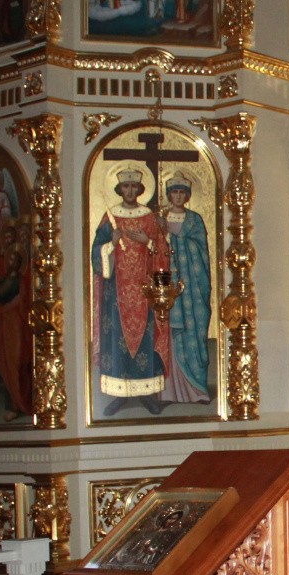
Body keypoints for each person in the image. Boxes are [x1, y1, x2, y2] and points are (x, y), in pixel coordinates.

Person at [90, 168, 171, 417]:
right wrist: (111, 243)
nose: (129, 190)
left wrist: (148, 241)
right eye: (126, 186)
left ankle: (147, 393)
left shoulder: (148, 217)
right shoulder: (110, 217)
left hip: (144, 291)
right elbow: (95, 254)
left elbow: (163, 251)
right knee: (117, 340)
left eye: (134, 186)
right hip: (116, 293)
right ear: (119, 189)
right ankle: (119, 393)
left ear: (139, 189)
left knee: (146, 339)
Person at [160, 172, 212, 405]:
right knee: (170, 334)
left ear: (188, 195)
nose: (178, 196)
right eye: (174, 192)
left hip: (192, 288)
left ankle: (197, 389)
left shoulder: (194, 220)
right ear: (169, 195)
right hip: (169, 285)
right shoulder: (161, 218)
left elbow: (201, 250)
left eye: (182, 192)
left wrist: (176, 235)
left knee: (194, 332)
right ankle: (169, 391)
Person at [0, 237, 32, 422]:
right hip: (7, 328)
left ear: (19, 263)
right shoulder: (9, 278)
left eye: (14, 260)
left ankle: (18, 405)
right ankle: (14, 405)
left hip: (14, 329)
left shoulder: (14, 280)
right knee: (7, 367)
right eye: (9, 259)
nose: (10, 262)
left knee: (13, 367)